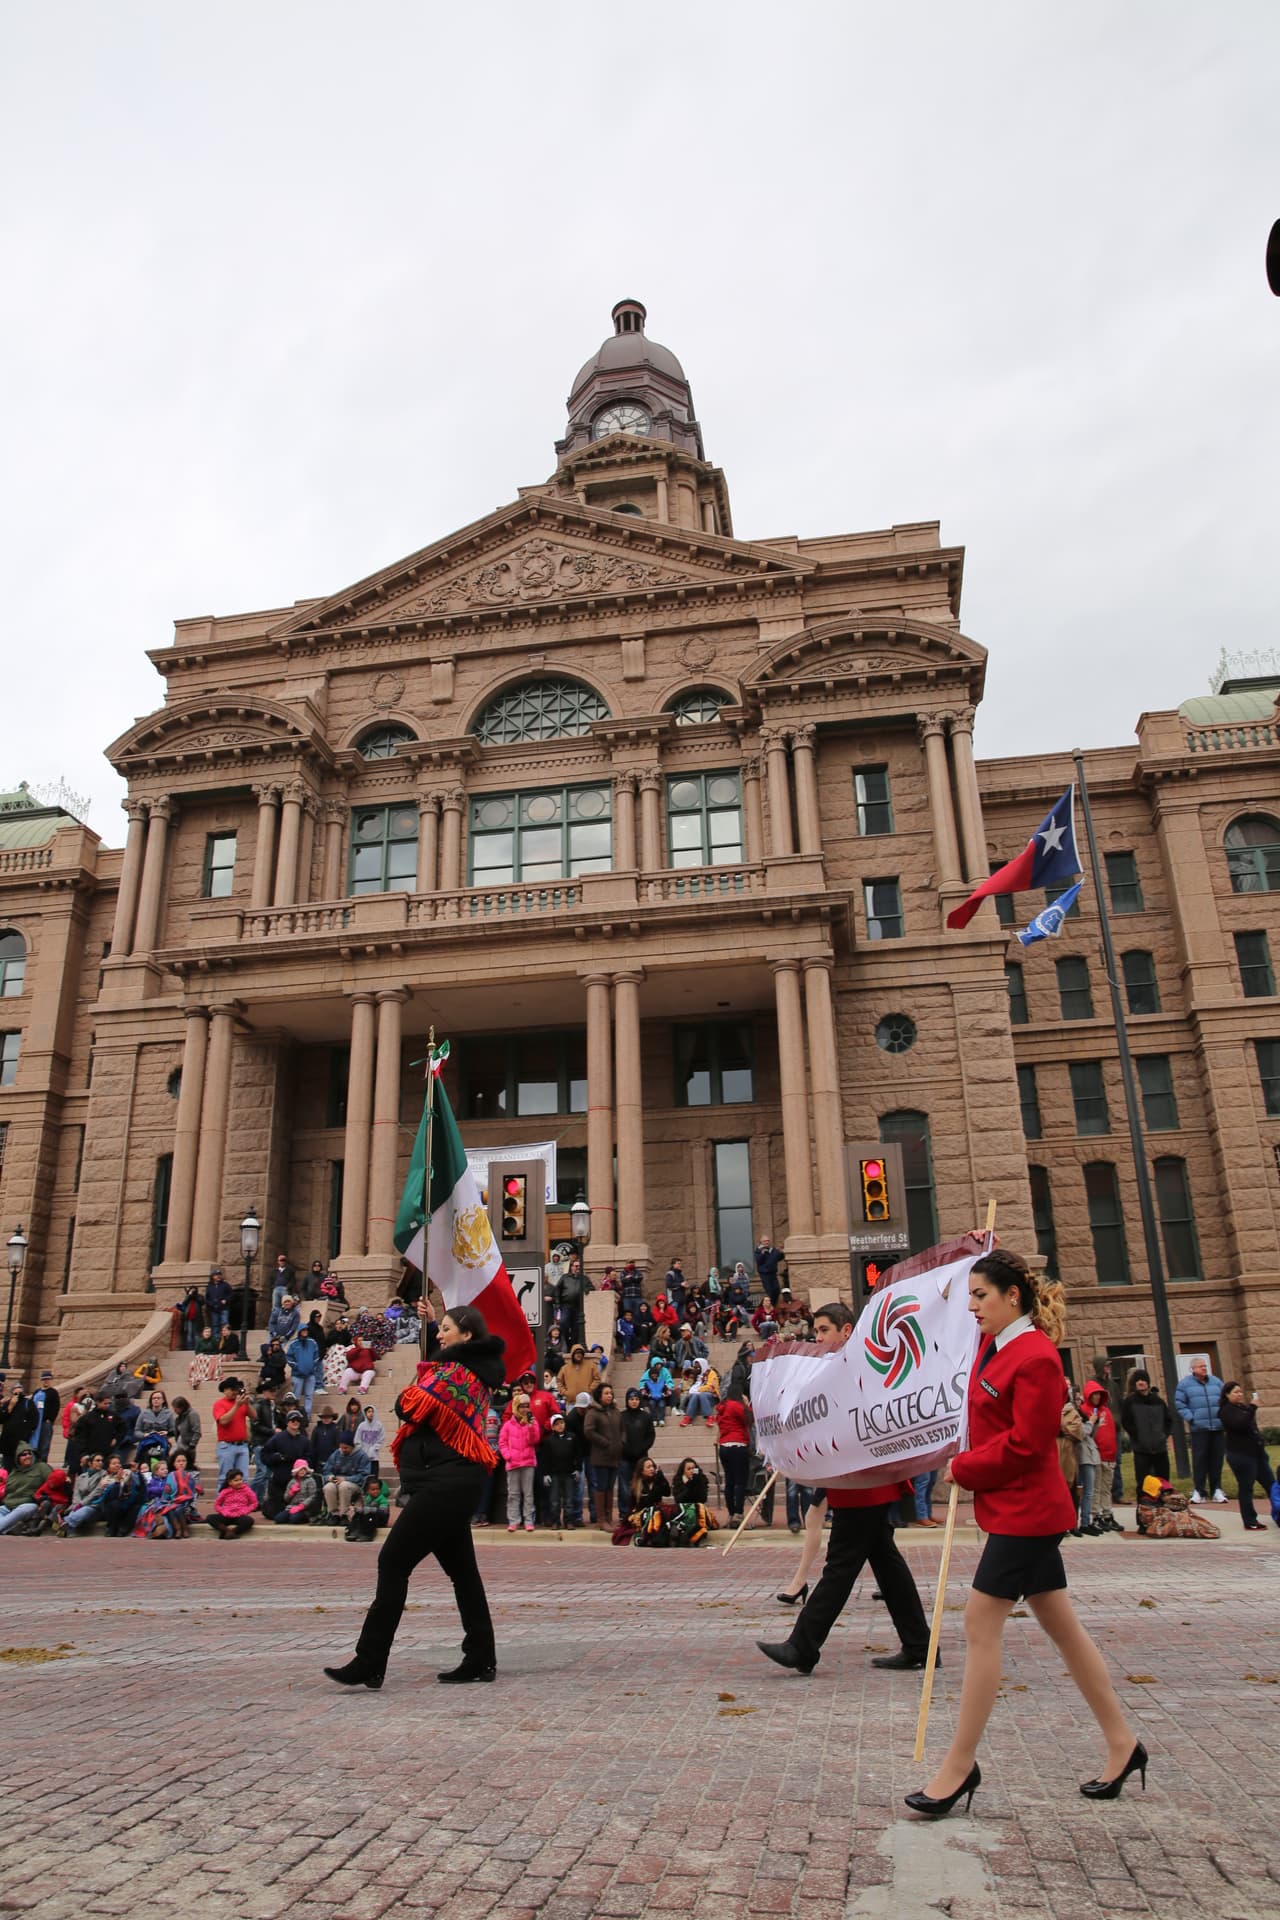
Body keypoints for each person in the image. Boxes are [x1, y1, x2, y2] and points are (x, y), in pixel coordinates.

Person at [905, 1247, 1145, 1820]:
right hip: (1011, 1511)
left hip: (1030, 1514)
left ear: (1013, 1297)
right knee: (1062, 1628)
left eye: (980, 1295)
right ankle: (1123, 1744)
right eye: (970, 1297)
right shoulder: (996, 1346)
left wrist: (965, 1468)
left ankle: (960, 1765)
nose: (972, 1307)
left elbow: (1028, 1445)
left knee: (978, 1623)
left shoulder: (1035, 1356)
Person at [325, 1302, 506, 1690]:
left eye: (445, 1329)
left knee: (393, 1561)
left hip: (447, 1482)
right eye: (438, 1328)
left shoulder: (459, 1374)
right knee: (463, 1574)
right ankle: (480, 1657)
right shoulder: (462, 1369)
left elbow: (408, 1405)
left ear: (467, 1335)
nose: (439, 1334)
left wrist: (422, 1376)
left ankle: (370, 1660)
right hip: (447, 1479)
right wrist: (428, 1349)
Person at [758, 1301, 931, 1678]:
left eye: (823, 1330)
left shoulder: (862, 1365)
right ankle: (919, 1644)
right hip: (854, 1483)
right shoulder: (829, 1368)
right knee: (886, 1564)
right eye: (815, 1331)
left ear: (847, 1331)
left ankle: (803, 1645)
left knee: (841, 1565)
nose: (816, 1337)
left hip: (864, 1482)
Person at [1219, 1382, 1277, 1532]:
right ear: (1227, 1394)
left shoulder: (1242, 1408)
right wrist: (1253, 1407)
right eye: (1235, 1392)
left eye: (1240, 1392)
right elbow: (1241, 1424)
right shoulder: (1226, 1411)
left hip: (1257, 1455)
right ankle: (1249, 1520)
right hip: (1242, 1456)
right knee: (1246, 1488)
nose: (1239, 1394)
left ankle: (1278, 1513)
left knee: (1272, 1485)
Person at [1174, 1358, 1228, 1504]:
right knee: (1199, 1460)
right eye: (1201, 1366)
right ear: (1193, 1369)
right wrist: (1191, 1418)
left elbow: (1225, 1399)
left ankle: (1217, 1489)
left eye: (1205, 1366)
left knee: (1217, 1459)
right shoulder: (1185, 1384)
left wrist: (1223, 1416)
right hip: (1199, 1428)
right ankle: (1199, 1490)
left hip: (1217, 1427)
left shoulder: (1216, 1382)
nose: (1204, 1368)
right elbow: (1180, 1403)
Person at [1120, 1370, 1173, 1489]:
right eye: (1137, 1380)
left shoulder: (1158, 1401)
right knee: (1143, 1482)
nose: (1140, 1382)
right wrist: (1138, 1436)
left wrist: (1163, 1436)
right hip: (1141, 1449)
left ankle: (1162, 1504)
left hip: (1160, 1449)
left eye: (1143, 1380)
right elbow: (1126, 1422)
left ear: (1148, 1383)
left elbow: (1168, 1421)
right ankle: (1145, 1505)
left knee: (1163, 1481)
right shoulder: (1129, 1402)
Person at [583, 1383, 624, 1528]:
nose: (609, 1396)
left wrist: (621, 1442)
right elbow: (588, 1431)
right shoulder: (593, 1412)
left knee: (610, 1487)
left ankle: (608, 1517)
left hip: (615, 1456)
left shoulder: (615, 1412)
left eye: (611, 1393)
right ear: (599, 1396)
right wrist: (604, 1442)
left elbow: (622, 1428)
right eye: (606, 1393)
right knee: (601, 1487)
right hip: (600, 1456)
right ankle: (601, 1519)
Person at [498, 1393, 540, 1531]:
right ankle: (514, 1520)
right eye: (522, 1406)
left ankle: (528, 1520)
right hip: (513, 1463)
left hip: (528, 1462)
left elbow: (534, 1440)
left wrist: (531, 1426)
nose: (524, 1409)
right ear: (516, 1407)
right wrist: (508, 1455)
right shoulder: (508, 1425)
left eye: (527, 1406)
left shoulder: (532, 1422)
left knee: (528, 1494)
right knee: (513, 1494)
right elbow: (502, 1442)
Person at [713, 1388, 753, 1521]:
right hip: (738, 1445)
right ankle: (738, 1512)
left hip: (724, 1446)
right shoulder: (735, 1405)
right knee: (740, 1482)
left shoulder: (722, 1408)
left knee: (729, 1482)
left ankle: (730, 1513)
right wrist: (746, 1405)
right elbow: (749, 1419)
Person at [537, 1411, 580, 1529]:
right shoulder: (549, 1441)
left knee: (569, 1499)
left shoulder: (572, 1437)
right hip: (554, 1474)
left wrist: (577, 1469)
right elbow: (545, 1459)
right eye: (556, 1424)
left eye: (561, 1423)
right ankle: (555, 1521)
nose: (560, 1426)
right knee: (554, 1500)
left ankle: (569, 1521)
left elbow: (577, 1455)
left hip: (569, 1473)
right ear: (552, 1427)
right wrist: (546, 1474)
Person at [211, 1378, 253, 1486]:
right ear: (225, 1390)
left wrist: (247, 1404)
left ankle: (241, 1501)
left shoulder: (242, 1403)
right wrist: (236, 1406)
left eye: (236, 1389)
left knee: (243, 1478)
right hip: (227, 1446)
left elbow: (254, 1416)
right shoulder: (219, 1404)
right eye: (232, 1389)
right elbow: (223, 1421)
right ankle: (223, 1502)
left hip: (242, 1445)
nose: (235, 1392)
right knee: (225, 1478)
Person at [322, 1436, 374, 1521]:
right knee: (328, 1487)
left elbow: (363, 1475)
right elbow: (326, 1470)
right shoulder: (336, 1454)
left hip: (354, 1483)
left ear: (352, 1446)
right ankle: (333, 1514)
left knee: (344, 1486)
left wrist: (346, 1479)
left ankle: (344, 1515)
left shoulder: (362, 1455)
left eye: (346, 1448)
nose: (343, 1450)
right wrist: (329, 1477)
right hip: (337, 1480)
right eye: (341, 1447)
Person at [0, 1443, 44, 1533]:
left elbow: (54, 1479)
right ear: (18, 1458)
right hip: (9, 1506)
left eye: (29, 1453)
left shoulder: (41, 1467)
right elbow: (7, 1491)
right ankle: (9, 1530)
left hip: (29, 1504)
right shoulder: (14, 1473)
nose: (28, 1456)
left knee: (23, 1510)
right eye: (24, 1454)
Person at [207, 1468, 258, 1538]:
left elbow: (254, 1503)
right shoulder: (225, 1491)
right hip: (227, 1515)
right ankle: (227, 1531)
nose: (239, 1482)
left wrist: (245, 1511)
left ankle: (233, 1531)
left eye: (240, 1479)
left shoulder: (247, 1490)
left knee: (249, 1521)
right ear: (230, 1482)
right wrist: (223, 1511)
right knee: (210, 1518)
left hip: (240, 1515)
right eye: (236, 1480)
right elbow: (217, 1505)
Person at [286, 1327, 323, 1418]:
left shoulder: (312, 1342)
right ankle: (296, 1415)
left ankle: (307, 1415)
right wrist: (297, 1367)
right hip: (297, 1375)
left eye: (306, 1330)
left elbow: (316, 1356)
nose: (305, 1332)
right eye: (303, 1330)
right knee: (296, 1397)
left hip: (310, 1375)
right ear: (299, 1332)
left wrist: (312, 1367)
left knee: (309, 1396)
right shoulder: (293, 1344)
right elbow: (289, 1358)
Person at [134, 1389, 176, 1464]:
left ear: (163, 1400)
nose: (156, 1400)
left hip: (162, 1443)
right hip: (146, 1442)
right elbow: (137, 1431)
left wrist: (167, 1433)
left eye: (158, 1398)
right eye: (154, 1398)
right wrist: (144, 1435)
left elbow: (174, 1431)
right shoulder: (143, 1413)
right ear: (151, 1400)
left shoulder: (169, 1414)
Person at [345, 1474, 391, 1542]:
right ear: (368, 1491)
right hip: (370, 1517)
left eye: (377, 1489)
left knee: (369, 1517)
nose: (376, 1491)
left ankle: (368, 1534)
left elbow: (383, 1512)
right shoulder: (368, 1498)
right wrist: (359, 1510)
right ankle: (354, 1531)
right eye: (373, 1489)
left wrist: (370, 1510)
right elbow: (365, 1509)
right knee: (358, 1515)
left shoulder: (382, 1499)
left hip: (380, 1519)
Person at [29, 1374, 61, 1463]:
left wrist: (50, 1419)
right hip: (35, 1422)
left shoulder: (53, 1392)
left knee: (44, 1444)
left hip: (45, 1422)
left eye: (48, 1379)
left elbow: (56, 1407)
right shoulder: (37, 1392)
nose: (46, 1381)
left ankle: (42, 1462)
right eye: (44, 1379)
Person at [170, 1396, 201, 1470]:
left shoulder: (192, 1414)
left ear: (182, 1407)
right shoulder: (179, 1418)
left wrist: (192, 1445)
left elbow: (197, 1431)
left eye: (176, 1408)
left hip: (188, 1446)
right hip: (180, 1445)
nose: (175, 1410)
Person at [205, 1268, 233, 1341]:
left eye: (219, 1275)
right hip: (214, 1308)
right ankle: (216, 1341)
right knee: (215, 1325)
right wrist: (211, 1303)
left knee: (225, 1323)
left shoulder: (225, 1285)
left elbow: (231, 1294)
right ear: (213, 1276)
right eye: (216, 1275)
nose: (218, 1276)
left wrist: (226, 1300)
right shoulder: (210, 1286)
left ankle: (226, 1338)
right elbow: (207, 1298)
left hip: (224, 1308)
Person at [754, 1235, 782, 1306]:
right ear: (761, 1242)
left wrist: (781, 1252)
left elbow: (779, 1257)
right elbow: (758, 1261)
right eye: (765, 1241)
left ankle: (773, 1305)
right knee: (769, 1291)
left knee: (777, 1290)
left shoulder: (773, 1250)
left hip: (773, 1273)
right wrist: (762, 1254)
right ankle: (768, 1306)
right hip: (765, 1274)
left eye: (768, 1241)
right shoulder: (758, 1251)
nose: (766, 1242)